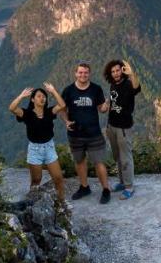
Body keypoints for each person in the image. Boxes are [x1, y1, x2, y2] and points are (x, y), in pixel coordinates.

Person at [60, 62, 112, 203]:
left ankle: (106, 189)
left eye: (86, 72)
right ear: (75, 74)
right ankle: (84, 187)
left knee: (99, 162)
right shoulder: (68, 91)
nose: (83, 75)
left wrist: (105, 106)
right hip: (75, 134)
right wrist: (66, 121)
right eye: (80, 72)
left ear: (89, 74)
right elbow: (62, 109)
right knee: (79, 161)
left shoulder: (96, 89)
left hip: (94, 134)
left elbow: (101, 108)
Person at [8, 82, 66, 203]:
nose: (42, 98)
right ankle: (32, 204)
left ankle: (61, 204)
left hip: (49, 147)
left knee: (58, 178)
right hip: (35, 149)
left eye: (44, 96)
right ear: (33, 99)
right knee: (36, 180)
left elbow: (62, 105)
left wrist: (53, 91)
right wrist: (21, 96)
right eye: (39, 96)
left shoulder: (49, 112)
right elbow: (12, 108)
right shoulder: (27, 114)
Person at [103, 58, 142, 197]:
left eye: (118, 70)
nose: (116, 73)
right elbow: (114, 102)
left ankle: (129, 187)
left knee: (126, 157)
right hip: (112, 126)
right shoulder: (113, 85)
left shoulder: (128, 84)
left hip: (124, 128)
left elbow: (137, 87)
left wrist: (132, 74)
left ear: (122, 70)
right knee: (117, 156)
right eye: (113, 71)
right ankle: (122, 181)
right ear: (110, 73)